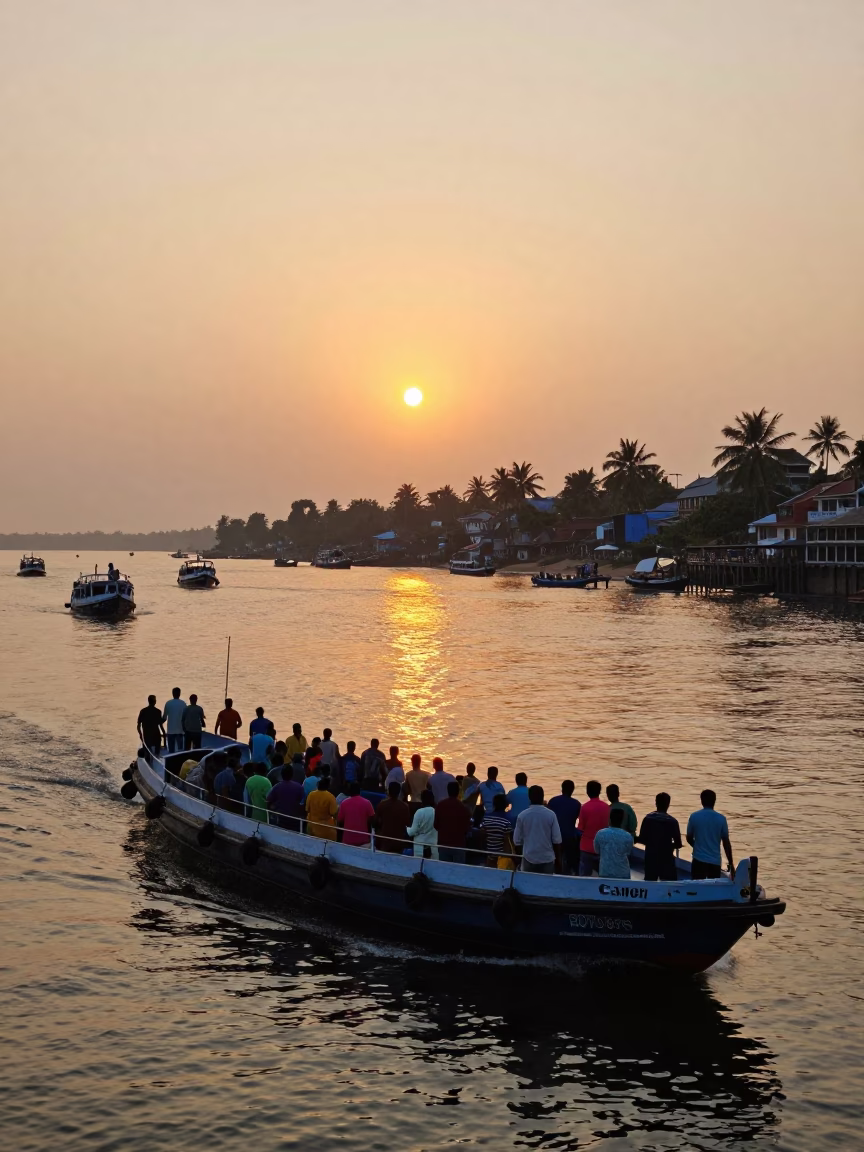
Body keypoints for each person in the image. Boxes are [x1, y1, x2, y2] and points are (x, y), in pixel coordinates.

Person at [687, 790, 735, 879]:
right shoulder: (721, 819)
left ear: (701, 801)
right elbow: (726, 843)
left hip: (698, 860)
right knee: (713, 888)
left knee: (697, 888)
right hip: (715, 862)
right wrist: (731, 864)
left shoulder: (694, 816)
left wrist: (697, 847)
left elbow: (689, 838)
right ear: (714, 801)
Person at [513, 785, 562, 873]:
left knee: (528, 884)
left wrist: (520, 859)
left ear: (529, 797)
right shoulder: (551, 815)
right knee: (546, 885)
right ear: (543, 796)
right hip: (547, 858)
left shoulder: (522, 816)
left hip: (528, 858)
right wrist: (558, 860)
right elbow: (557, 840)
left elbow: (517, 841)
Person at [637, 793, 682, 882]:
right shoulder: (672, 821)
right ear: (668, 804)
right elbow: (678, 844)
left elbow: (642, 839)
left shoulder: (648, 818)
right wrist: (668, 846)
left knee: (650, 882)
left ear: (656, 803)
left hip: (651, 857)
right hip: (666, 858)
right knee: (669, 885)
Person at [548, 780, 582, 874]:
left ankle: (556, 870)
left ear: (562, 789)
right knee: (572, 859)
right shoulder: (576, 804)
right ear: (572, 790)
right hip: (569, 836)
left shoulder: (553, 801)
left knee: (556, 857)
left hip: (554, 836)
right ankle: (572, 871)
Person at [434, 781, 472, 863]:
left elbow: (436, 825)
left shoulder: (440, 805)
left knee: (444, 870)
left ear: (447, 791)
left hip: (443, 844)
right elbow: (467, 829)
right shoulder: (464, 808)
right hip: (459, 845)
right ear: (458, 792)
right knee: (458, 871)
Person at [577, 780, 610, 876]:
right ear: (599, 792)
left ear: (587, 791)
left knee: (585, 875)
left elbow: (580, 828)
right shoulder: (606, 807)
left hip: (586, 847)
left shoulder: (585, 807)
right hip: (602, 847)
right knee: (602, 875)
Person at [594, 808, 634, 879]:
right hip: (623, 873)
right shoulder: (628, 836)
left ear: (609, 819)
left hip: (605, 872)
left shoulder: (600, 833)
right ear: (622, 821)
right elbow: (628, 852)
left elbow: (597, 851)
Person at [374, 781, 412, 853]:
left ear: (388, 791)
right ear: (399, 792)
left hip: (385, 840)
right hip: (398, 841)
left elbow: (375, 822)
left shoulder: (382, 804)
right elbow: (407, 823)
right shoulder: (404, 806)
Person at [338, 781, 376, 847]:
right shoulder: (367, 803)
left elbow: (340, 820)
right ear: (359, 791)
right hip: (363, 841)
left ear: (349, 791)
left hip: (347, 841)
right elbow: (373, 820)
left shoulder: (344, 803)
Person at [266, 765, 305, 830]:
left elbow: (268, 801)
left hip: (281, 819)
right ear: (292, 774)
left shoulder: (277, 787)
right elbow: (302, 803)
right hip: (295, 820)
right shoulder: (299, 787)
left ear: (281, 775)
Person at [481, 793, 514, 867]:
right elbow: (507, 842)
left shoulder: (486, 818)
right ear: (506, 805)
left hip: (489, 855)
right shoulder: (507, 821)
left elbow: (483, 836)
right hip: (501, 857)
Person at [406, 789, 438, 858]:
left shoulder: (419, 812)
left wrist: (406, 828)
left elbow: (412, 832)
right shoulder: (436, 812)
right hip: (433, 848)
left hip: (420, 848)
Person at [162, 688, 187, 754]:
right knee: (180, 750)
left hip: (170, 730)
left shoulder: (168, 703)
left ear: (172, 693)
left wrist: (158, 723)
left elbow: (164, 718)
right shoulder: (183, 704)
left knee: (171, 750)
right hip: (180, 730)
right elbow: (186, 717)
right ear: (179, 694)